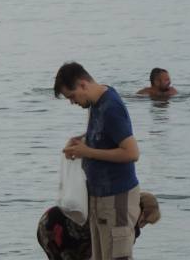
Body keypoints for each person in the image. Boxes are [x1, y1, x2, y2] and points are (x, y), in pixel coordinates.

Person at [55, 62, 141, 260]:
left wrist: (88, 152)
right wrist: (80, 140)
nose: (72, 102)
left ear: (83, 85)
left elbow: (132, 153)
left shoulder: (110, 107)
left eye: (72, 96)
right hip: (99, 199)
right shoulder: (96, 103)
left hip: (116, 198)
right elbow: (104, 135)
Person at [37, 192, 161, 260]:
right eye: (146, 222)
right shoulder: (128, 225)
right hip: (65, 229)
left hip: (48, 218)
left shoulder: (118, 203)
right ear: (144, 212)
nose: (143, 226)